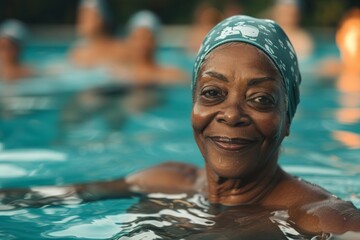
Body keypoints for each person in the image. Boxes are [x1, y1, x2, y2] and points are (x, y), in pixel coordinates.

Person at [1, 15, 360, 238]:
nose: (231, 114)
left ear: (287, 119)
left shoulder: (323, 218)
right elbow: (48, 197)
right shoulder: (163, 182)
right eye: (213, 93)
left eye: (261, 99)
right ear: (194, 106)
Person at [112, 10, 187, 84]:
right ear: (129, 40)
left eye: (146, 38)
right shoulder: (116, 74)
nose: (141, 43)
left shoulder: (171, 76)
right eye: (137, 38)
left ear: (155, 41)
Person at [69, 0, 126, 68]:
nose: (80, 21)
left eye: (86, 16)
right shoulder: (77, 53)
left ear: (101, 18)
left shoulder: (121, 51)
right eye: (80, 16)